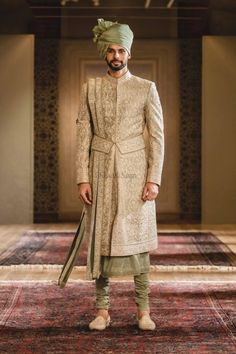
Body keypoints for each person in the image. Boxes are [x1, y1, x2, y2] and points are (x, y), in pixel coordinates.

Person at [76, 18, 164, 331]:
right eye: (111, 50)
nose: (116, 55)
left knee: (138, 241)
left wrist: (153, 178)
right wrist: (82, 177)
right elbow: (83, 136)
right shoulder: (91, 88)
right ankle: (102, 310)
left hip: (135, 173)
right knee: (100, 240)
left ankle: (143, 311)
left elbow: (156, 136)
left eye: (121, 50)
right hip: (99, 171)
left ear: (129, 54)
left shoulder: (145, 88)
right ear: (105, 53)